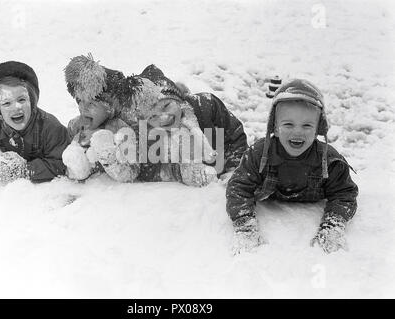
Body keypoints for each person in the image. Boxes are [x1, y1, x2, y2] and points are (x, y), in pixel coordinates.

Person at [62, 54, 248, 186]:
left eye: (166, 106)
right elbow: (148, 168)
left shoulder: (205, 106)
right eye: (80, 102)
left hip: (222, 172)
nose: (163, 117)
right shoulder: (134, 131)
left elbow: (235, 135)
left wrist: (233, 170)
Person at [226, 79, 358, 254]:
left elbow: (344, 194)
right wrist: (245, 227)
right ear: (275, 126)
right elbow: (238, 188)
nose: (297, 132)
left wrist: (333, 225)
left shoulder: (330, 161)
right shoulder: (259, 155)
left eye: (307, 125)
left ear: (319, 128)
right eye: (288, 124)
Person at [0, 61, 70, 184]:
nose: (17, 107)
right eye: (7, 103)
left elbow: (62, 163)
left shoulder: (51, 128)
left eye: (21, 99)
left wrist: (25, 170)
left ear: (32, 101)